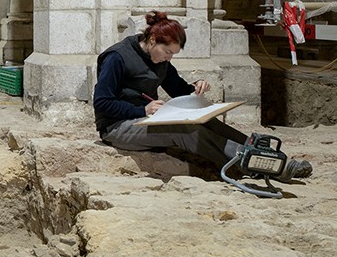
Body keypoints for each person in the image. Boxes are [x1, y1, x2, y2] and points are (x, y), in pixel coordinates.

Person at [93, 11, 312, 181]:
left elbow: (177, 88)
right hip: (118, 127)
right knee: (184, 131)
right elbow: (102, 102)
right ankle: (255, 164)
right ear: (152, 40)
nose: (169, 58)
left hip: (147, 120)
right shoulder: (117, 57)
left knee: (208, 122)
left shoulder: (160, 60)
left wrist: (195, 88)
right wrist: (141, 110)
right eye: (167, 52)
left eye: (173, 55)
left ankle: (266, 154)